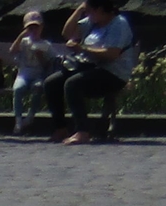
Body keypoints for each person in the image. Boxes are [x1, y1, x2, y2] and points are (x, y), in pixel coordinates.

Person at [43, 0, 132, 142]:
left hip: (112, 73)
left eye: (89, 11)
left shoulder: (119, 24)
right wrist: (79, 10)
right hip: (89, 68)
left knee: (73, 83)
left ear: (101, 10)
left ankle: (82, 131)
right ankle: (60, 128)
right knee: (51, 83)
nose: (87, 14)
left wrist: (82, 49)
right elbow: (67, 33)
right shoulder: (92, 22)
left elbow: (112, 54)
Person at [6, 10, 63, 129]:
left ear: (41, 27)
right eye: (30, 28)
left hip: (39, 75)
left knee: (37, 87)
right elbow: (12, 51)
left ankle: (31, 115)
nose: (34, 31)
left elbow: (51, 64)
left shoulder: (46, 45)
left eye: (36, 27)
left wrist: (40, 56)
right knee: (18, 89)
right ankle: (18, 120)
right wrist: (21, 36)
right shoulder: (23, 42)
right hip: (24, 74)